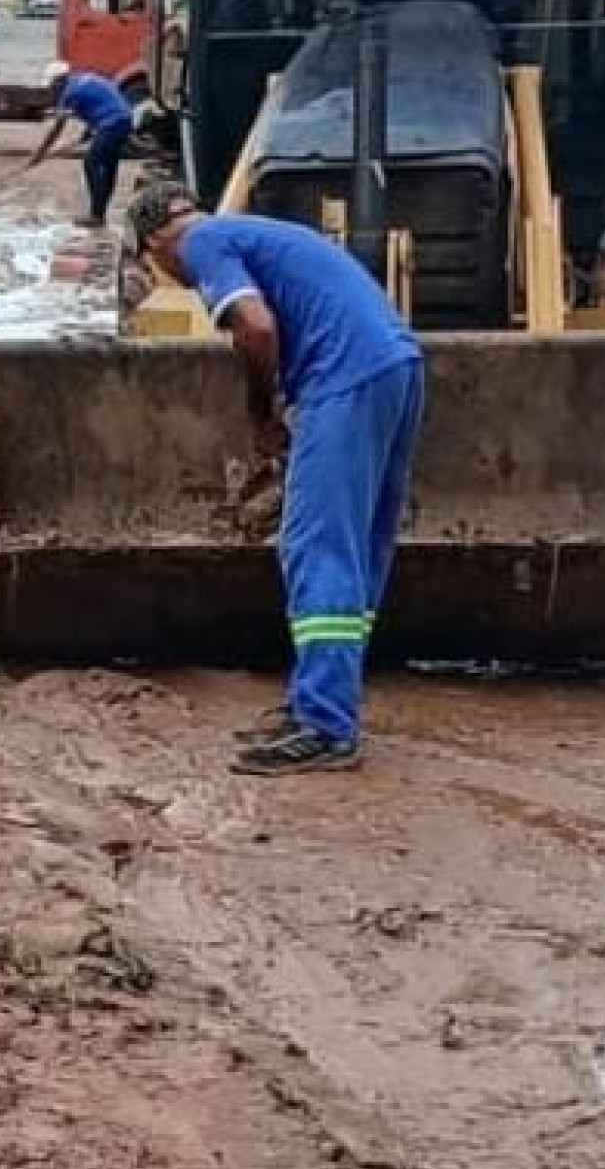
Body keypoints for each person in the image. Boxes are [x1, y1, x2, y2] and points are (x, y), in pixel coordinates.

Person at [126, 178, 425, 777]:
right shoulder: (259, 232)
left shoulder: (201, 243)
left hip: (342, 379)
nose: (174, 279)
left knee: (314, 547)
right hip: (396, 366)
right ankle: (323, 698)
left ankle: (325, 726)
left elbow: (256, 327)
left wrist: (262, 411)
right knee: (359, 548)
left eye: (154, 265)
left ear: (155, 240)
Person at [29, 61, 135, 227]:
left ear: (59, 80)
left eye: (52, 86)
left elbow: (56, 130)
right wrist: (89, 132)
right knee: (108, 165)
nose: (51, 90)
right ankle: (100, 212)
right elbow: (98, 103)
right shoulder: (83, 79)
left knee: (91, 164)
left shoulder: (70, 93)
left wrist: (39, 154)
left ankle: (96, 216)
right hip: (125, 119)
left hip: (111, 123)